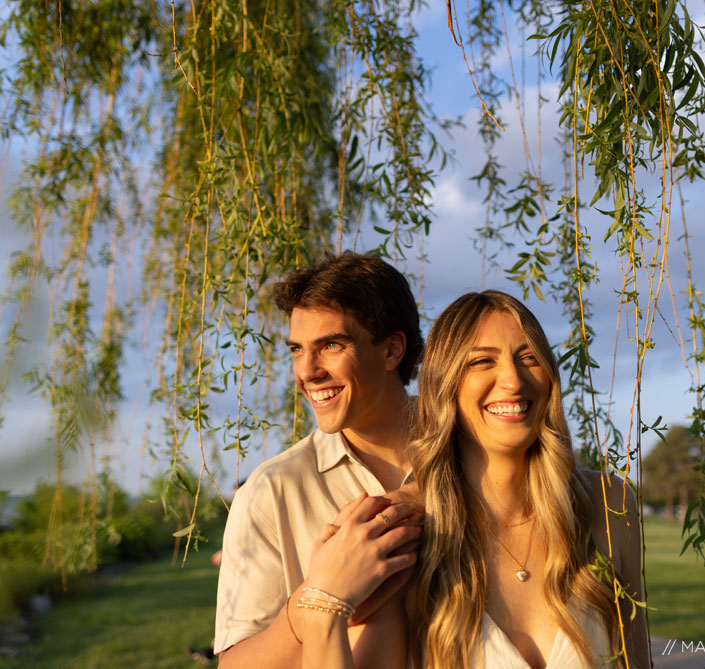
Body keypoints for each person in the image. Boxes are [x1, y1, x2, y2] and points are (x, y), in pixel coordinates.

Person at [299, 290, 650, 668]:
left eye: (529, 357)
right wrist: (322, 608)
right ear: (444, 385)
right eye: (482, 361)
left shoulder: (608, 502)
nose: (513, 380)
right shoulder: (398, 528)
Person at [214, 252, 424, 668]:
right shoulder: (270, 492)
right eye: (296, 350)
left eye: (330, 345)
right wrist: (320, 599)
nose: (306, 371)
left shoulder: (476, 448)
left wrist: (423, 498)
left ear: (392, 350)